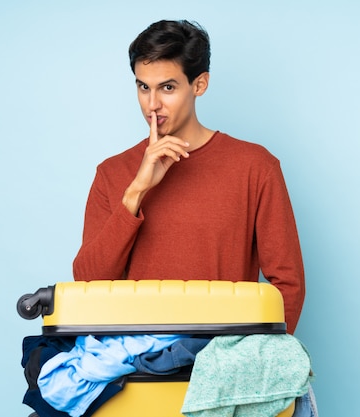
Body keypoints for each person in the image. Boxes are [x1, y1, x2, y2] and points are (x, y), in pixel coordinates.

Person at [72, 20, 305, 335]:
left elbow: (288, 283)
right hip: (137, 363)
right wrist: (136, 192)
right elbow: (87, 284)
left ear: (200, 84)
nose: (152, 104)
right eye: (144, 87)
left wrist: (258, 359)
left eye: (167, 87)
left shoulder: (256, 167)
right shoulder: (113, 173)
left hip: (225, 359)